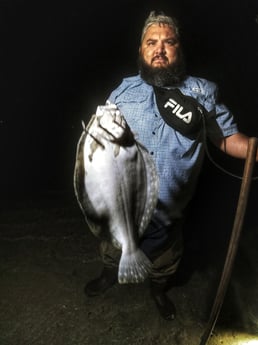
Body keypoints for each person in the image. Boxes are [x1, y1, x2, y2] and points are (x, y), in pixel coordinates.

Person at [84, 10, 258, 320]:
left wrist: (254, 150)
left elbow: (228, 139)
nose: (159, 49)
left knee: (164, 262)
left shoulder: (203, 93)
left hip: (170, 213)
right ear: (141, 50)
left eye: (168, 42)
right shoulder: (122, 92)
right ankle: (109, 274)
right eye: (151, 42)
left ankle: (158, 290)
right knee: (112, 250)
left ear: (179, 48)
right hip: (124, 206)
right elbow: (102, 144)